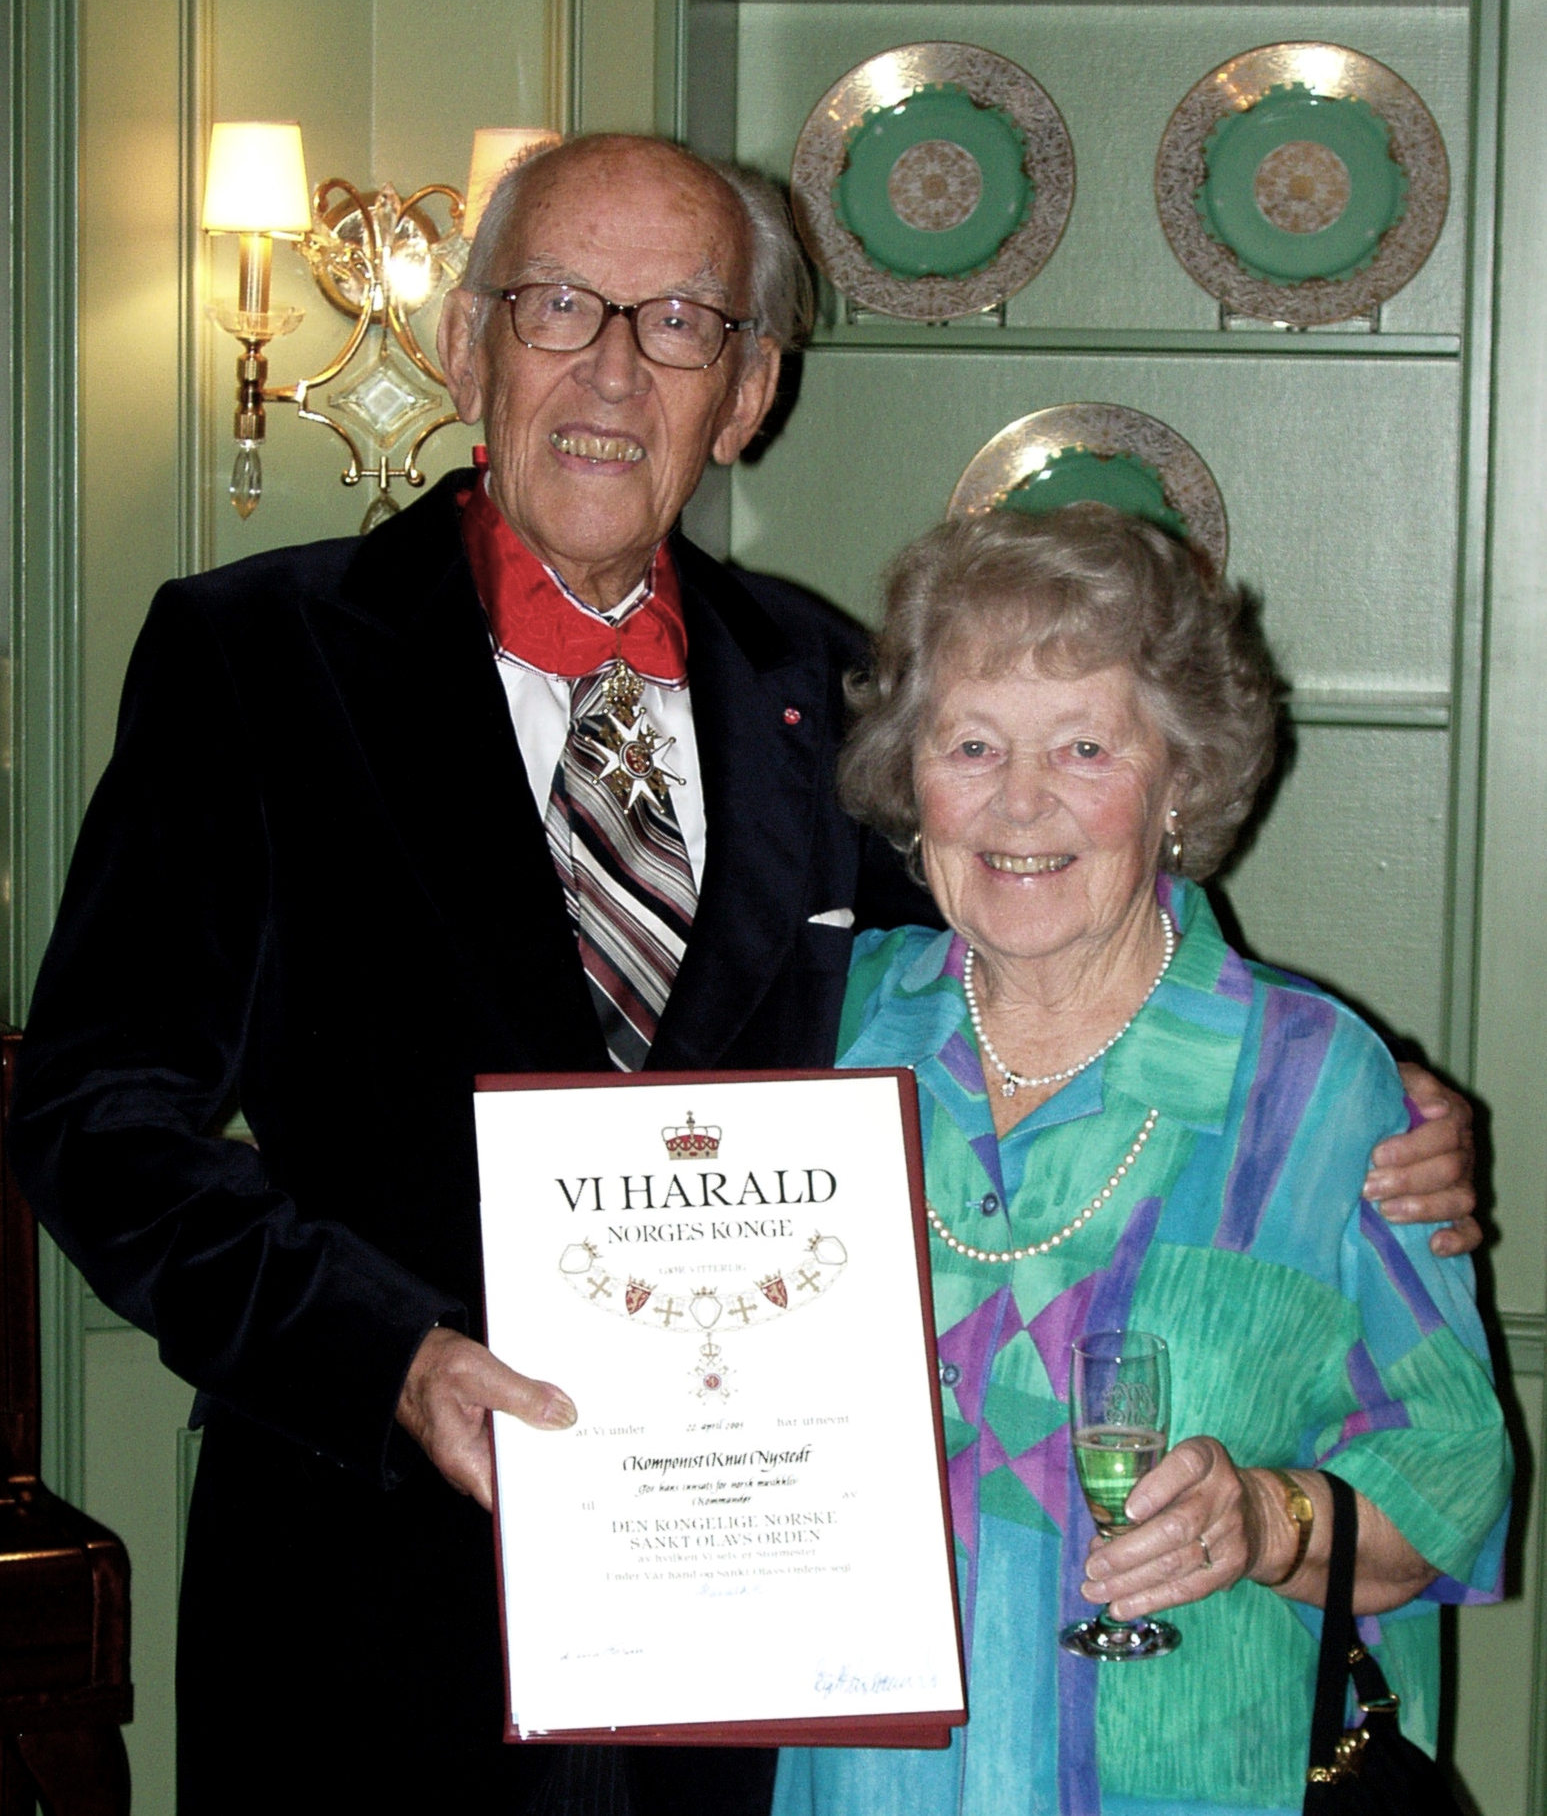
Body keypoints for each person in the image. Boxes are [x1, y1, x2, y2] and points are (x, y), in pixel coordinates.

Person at [7, 135, 1475, 1814]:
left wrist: (1341, 1090)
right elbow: (94, 1115)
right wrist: (390, 1356)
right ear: (467, 339)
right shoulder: (253, 659)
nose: (611, 368)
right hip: (375, 1617)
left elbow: (1027, 934)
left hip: (763, 1655)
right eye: (560, 304)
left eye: (681, 320)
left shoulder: (827, 679)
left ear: (752, 388)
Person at [774, 507, 1509, 1816]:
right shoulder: (818, 1030)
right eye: (974, 743)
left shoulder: (1311, 1085)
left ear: (1178, 782)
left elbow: (1451, 1476)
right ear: (911, 774)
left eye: (1086, 746)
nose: (1020, 802)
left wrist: (1263, 1520)